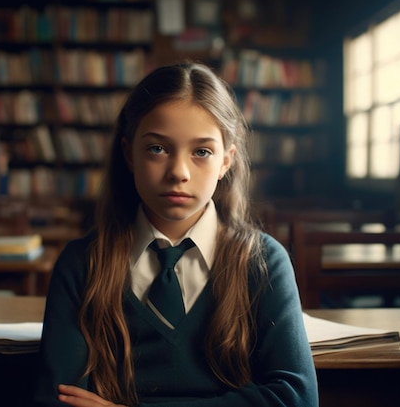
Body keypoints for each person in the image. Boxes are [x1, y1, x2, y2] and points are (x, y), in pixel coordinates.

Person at [32, 62, 318, 407]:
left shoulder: (263, 261)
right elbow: (60, 400)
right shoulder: (82, 263)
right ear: (129, 154)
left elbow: (296, 398)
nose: (178, 172)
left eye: (202, 152)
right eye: (157, 148)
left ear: (226, 161)